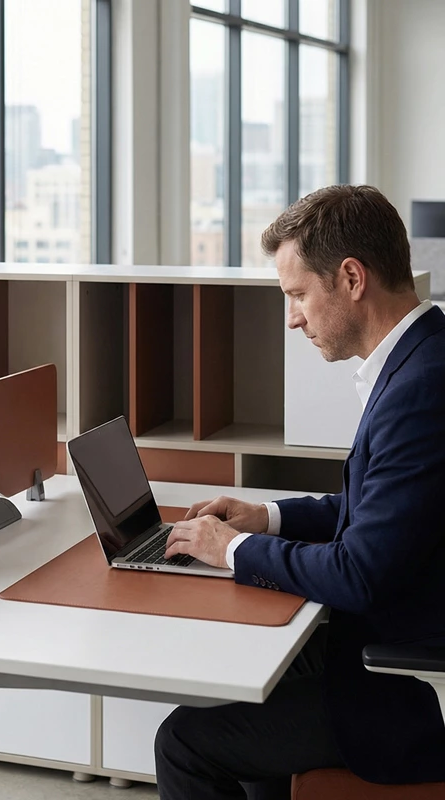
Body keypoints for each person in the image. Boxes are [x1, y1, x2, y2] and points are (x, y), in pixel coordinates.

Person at [154, 184, 445, 799]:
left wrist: (230, 550)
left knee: (183, 741)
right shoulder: (421, 359)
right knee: (246, 678)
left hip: (400, 689)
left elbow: (359, 573)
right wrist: (267, 517)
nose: (292, 318)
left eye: (297, 295)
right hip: (393, 634)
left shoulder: (421, 388)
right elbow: (386, 512)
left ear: (351, 278)